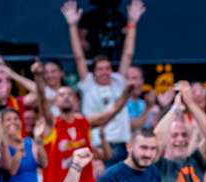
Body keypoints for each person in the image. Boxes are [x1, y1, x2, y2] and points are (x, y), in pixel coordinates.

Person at [62, 0, 146, 164]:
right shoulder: (88, 84)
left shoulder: (118, 81)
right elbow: (79, 57)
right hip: (97, 145)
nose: (105, 72)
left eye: (107, 68)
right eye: (100, 69)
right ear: (94, 72)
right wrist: (72, 26)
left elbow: (127, 54)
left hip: (122, 144)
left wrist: (132, 23)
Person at [0, 107, 48, 182]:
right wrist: (20, 147)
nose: (13, 122)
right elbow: (12, 170)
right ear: (1, 125)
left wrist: (38, 140)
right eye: (8, 119)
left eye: (16, 118)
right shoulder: (2, 146)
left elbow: (44, 163)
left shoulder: (30, 142)